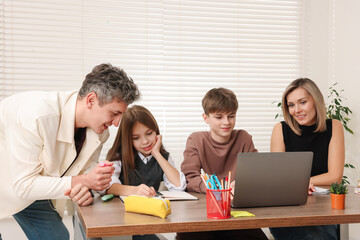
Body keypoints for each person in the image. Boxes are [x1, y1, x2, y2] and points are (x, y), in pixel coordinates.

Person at [0, 63, 140, 240]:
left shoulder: (99, 131)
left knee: (57, 236)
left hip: (34, 184)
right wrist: (81, 181)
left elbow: (83, 173)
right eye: (114, 113)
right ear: (91, 100)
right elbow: (23, 185)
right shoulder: (36, 116)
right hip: (17, 181)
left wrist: (83, 187)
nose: (116, 123)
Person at [179, 87, 268, 240]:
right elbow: (189, 177)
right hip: (204, 213)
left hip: (236, 214)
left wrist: (241, 185)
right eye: (219, 117)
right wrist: (216, 190)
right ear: (206, 118)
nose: (226, 122)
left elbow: (256, 173)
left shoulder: (244, 138)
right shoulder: (196, 139)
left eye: (231, 116)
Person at [269, 78, 345, 240]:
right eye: (291, 105)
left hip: (324, 207)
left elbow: (335, 177)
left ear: (316, 101)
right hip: (289, 209)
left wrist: (301, 183)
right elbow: (277, 178)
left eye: (302, 102)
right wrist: (304, 184)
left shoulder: (335, 127)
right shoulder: (280, 130)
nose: (297, 110)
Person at [105, 105, 186, 197]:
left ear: (156, 131)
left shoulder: (162, 156)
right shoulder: (119, 156)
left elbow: (179, 186)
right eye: (136, 138)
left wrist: (157, 154)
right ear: (127, 139)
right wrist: (135, 190)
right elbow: (108, 186)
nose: (145, 141)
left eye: (149, 133)